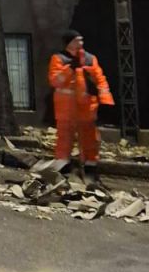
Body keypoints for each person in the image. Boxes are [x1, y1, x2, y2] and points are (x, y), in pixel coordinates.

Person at [47, 29, 114, 185]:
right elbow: (55, 80)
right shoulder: (59, 59)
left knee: (90, 138)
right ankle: (63, 165)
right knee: (64, 137)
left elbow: (100, 80)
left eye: (81, 40)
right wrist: (70, 68)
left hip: (86, 106)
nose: (81, 44)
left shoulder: (90, 59)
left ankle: (90, 167)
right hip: (67, 107)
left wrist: (105, 99)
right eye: (77, 40)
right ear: (69, 43)